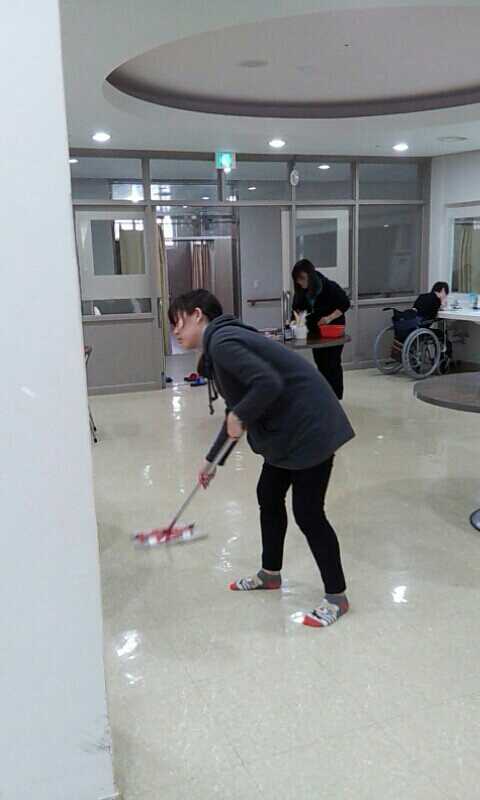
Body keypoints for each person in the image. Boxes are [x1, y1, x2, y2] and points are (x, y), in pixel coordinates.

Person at [168, 289, 355, 628]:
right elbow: (237, 406)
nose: (175, 331)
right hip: (287, 432)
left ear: (197, 315)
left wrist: (240, 415)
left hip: (309, 428)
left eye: (177, 322)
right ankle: (270, 574)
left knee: (308, 513)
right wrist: (212, 461)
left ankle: (336, 597)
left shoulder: (222, 341)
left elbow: (268, 383)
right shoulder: (221, 345)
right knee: (268, 494)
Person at [292, 259, 350, 400]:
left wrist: (329, 318)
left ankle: (335, 397)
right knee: (320, 362)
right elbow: (297, 309)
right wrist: (295, 322)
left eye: (302, 278)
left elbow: (345, 303)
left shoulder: (328, 286)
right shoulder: (301, 291)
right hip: (316, 331)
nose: (300, 282)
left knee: (332, 362)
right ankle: (325, 396)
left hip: (332, 329)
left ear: (310, 276)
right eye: (297, 279)